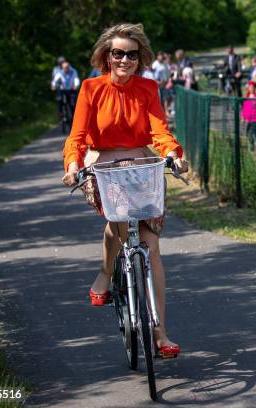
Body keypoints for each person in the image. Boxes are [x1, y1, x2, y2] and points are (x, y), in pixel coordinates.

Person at [61, 23, 187, 358]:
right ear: (106, 55)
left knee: (152, 246)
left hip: (142, 166)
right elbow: (77, 135)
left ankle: (160, 333)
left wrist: (173, 153)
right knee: (118, 221)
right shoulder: (91, 88)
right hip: (104, 165)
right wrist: (73, 164)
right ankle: (105, 272)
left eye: (132, 54)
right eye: (118, 53)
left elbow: (159, 130)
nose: (125, 60)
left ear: (140, 58)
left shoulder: (148, 88)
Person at [241, 80, 256, 152]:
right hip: (248, 120)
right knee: (248, 134)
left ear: (255, 88)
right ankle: (252, 146)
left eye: (252, 87)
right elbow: (244, 108)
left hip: (255, 120)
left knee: (255, 133)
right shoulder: (247, 97)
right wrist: (242, 117)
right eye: (250, 87)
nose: (251, 89)